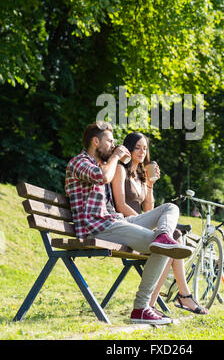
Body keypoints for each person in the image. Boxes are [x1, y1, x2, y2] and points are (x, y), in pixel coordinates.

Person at [65, 121, 193, 325]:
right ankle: (142, 308)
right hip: (98, 228)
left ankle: (163, 235)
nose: (114, 145)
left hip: (113, 222)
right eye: (110, 141)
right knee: (164, 248)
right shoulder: (79, 162)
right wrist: (116, 157)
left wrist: (148, 184)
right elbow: (104, 177)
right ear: (95, 141)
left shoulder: (101, 164)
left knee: (170, 208)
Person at [111, 131, 209, 316]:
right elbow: (120, 204)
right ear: (129, 148)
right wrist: (145, 225)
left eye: (145, 148)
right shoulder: (120, 169)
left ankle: (159, 301)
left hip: (139, 222)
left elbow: (148, 208)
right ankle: (178, 296)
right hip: (126, 225)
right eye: (137, 147)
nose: (141, 152)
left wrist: (150, 184)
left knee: (173, 238)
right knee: (171, 238)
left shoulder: (140, 176)